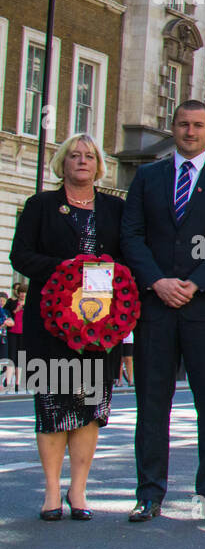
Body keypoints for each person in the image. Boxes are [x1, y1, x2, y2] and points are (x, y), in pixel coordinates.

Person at [120, 100, 205, 523]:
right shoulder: (148, 176)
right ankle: (149, 492)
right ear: (172, 127)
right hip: (155, 309)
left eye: (198, 125)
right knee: (152, 405)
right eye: (183, 124)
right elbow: (131, 235)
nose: (190, 131)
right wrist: (157, 281)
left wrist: (195, 282)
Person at [9, 134, 125, 520]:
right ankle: (50, 493)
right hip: (50, 325)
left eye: (89, 156)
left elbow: (125, 263)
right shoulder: (40, 205)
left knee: (88, 410)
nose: (81, 161)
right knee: (52, 407)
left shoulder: (114, 209)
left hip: (97, 328)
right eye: (74, 155)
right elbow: (20, 255)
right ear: (62, 162)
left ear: (98, 164)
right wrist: (62, 270)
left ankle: (78, 492)